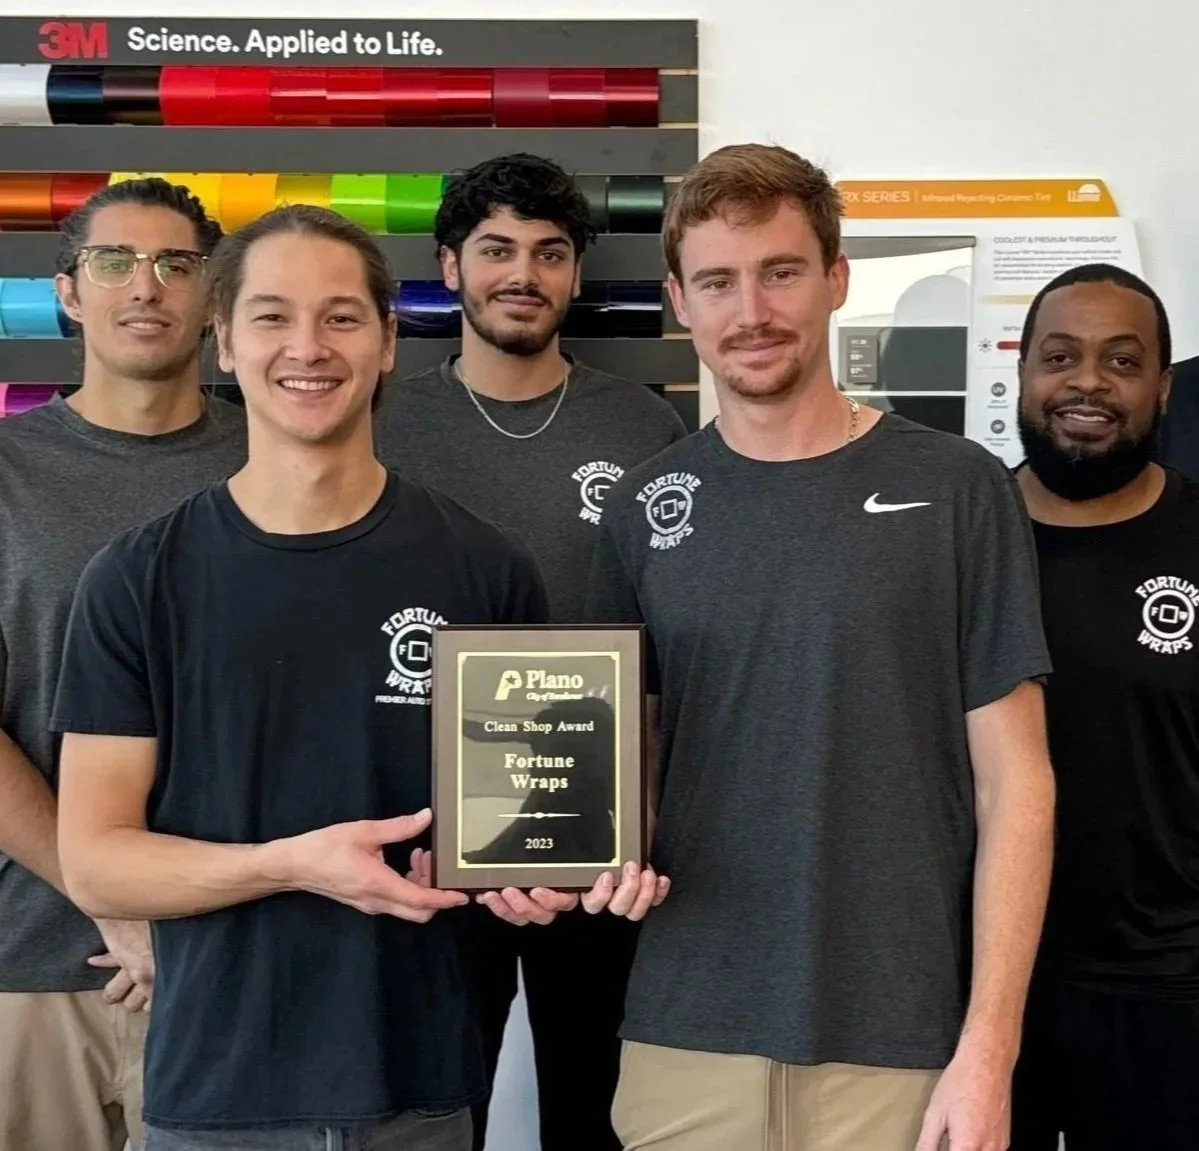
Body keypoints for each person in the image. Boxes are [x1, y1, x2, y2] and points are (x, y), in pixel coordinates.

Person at [48, 204, 610, 1151]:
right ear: (225, 339)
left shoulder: (486, 568)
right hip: (215, 1092)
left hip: (425, 1086)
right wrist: (290, 864)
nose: (306, 347)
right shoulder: (135, 579)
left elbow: (523, 821)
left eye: (341, 317)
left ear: (387, 341)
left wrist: (532, 878)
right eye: (271, 316)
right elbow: (96, 859)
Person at [582, 143, 1057, 1151]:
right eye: (717, 281)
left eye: (780, 271)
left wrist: (989, 1049)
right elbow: (627, 771)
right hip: (685, 1031)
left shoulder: (958, 489)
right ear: (678, 301)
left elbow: (1016, 781)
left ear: (836, 278)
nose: (750, 310)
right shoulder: (642, 509)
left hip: (900, 1038)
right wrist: (579, 851)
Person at [374, 152, 686, 1151]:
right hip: (425, 838)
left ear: (576, 273)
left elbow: (676, 632)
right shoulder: (383, 422)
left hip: (595, 835)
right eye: (495, 249)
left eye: (549, 252)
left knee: (596, 1113)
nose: (522, 273)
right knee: (429, 1111)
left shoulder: (644, 425)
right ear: (449, 265)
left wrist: (644, 815)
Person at [0, 176, 246, 1151]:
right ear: (68, 290)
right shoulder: (6, 474)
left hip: (235, 962)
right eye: (115, 261)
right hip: (33, 964)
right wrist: (110, 893)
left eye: (176, 263)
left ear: (212, 294)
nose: (146, 285)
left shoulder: (279, 464)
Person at [1009, 264, 1199, 1150]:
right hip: (976, 979)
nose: (1086, 381)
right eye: (1059, 357)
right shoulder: (955, 536)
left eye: (1121, 361)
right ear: (1021, 371)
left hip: (1166, 990)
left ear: (1162, 387)